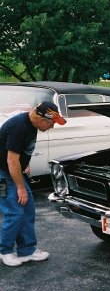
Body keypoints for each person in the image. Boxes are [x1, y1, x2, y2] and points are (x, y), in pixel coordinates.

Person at [0, 102, 66, 266]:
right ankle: (5, 251)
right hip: (3, 173)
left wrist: (25, 163)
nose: (52, 127)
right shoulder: (19, 127)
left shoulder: (31, 125)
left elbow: (16, 154)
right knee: (15, 213)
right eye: (51, 123)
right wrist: (20, 187)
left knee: (28, 209)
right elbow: (11, 160)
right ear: (41, 118)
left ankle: (26, 251)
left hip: (13, 170)